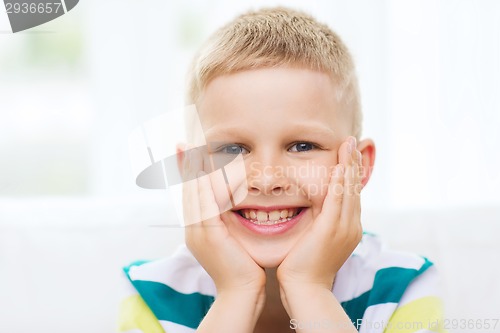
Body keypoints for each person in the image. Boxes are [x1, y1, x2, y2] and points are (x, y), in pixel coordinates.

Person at [118, 7, 444, 333]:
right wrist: (236, 293)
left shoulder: (402, 288)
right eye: (233, 149)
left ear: (359, 167)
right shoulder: (152, 295)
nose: (268, 179)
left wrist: (309, 288)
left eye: (302, 146)